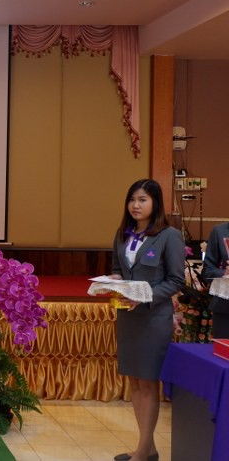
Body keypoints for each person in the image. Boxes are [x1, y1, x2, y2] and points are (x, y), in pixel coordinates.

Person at [110, 179, 184, 461]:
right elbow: (117, 269)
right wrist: (113, 279)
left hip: (153, 319)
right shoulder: (122, 234)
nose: (135, 205)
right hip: (128, 318)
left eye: (142, 200)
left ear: (155, 203)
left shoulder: (169, 235)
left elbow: (175, 280)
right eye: (132, 199)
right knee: (135, 382)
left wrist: (144, 297)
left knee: (149, 382)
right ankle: (147, 447)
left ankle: (143, 451)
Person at [204, 221, 229, 338]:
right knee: (222, 349)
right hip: (225, 309)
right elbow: (207, 271)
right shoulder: (219, 231)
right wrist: (224, 272)